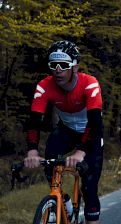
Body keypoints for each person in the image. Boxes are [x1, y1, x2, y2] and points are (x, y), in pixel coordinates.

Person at [24, 40, 104, 224]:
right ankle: (62, 201)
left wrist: (81, 151)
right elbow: (34, 121)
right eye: (53, 65)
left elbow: (95, 122)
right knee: (50, 159)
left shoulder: (90, 83)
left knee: (90, 187)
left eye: (64, 65)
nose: (58, 70)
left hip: (90, 132)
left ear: (75, 68)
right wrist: (32, 150)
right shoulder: (44, 86)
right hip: (66, 130)